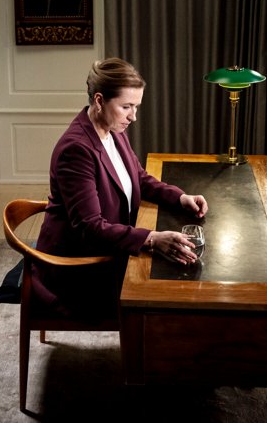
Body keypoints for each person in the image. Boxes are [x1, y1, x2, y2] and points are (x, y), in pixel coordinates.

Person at [32, 57, 208, 319]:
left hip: (110, 246)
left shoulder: (113, 129)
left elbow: (138, 177)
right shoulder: (76, 150)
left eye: (136, 107)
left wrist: (180, 197)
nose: (133, 116)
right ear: (99, 100)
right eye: (126, 106)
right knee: (170, 293)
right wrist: (151, 238)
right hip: (79, 267)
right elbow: (90, 227)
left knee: (179, 271)